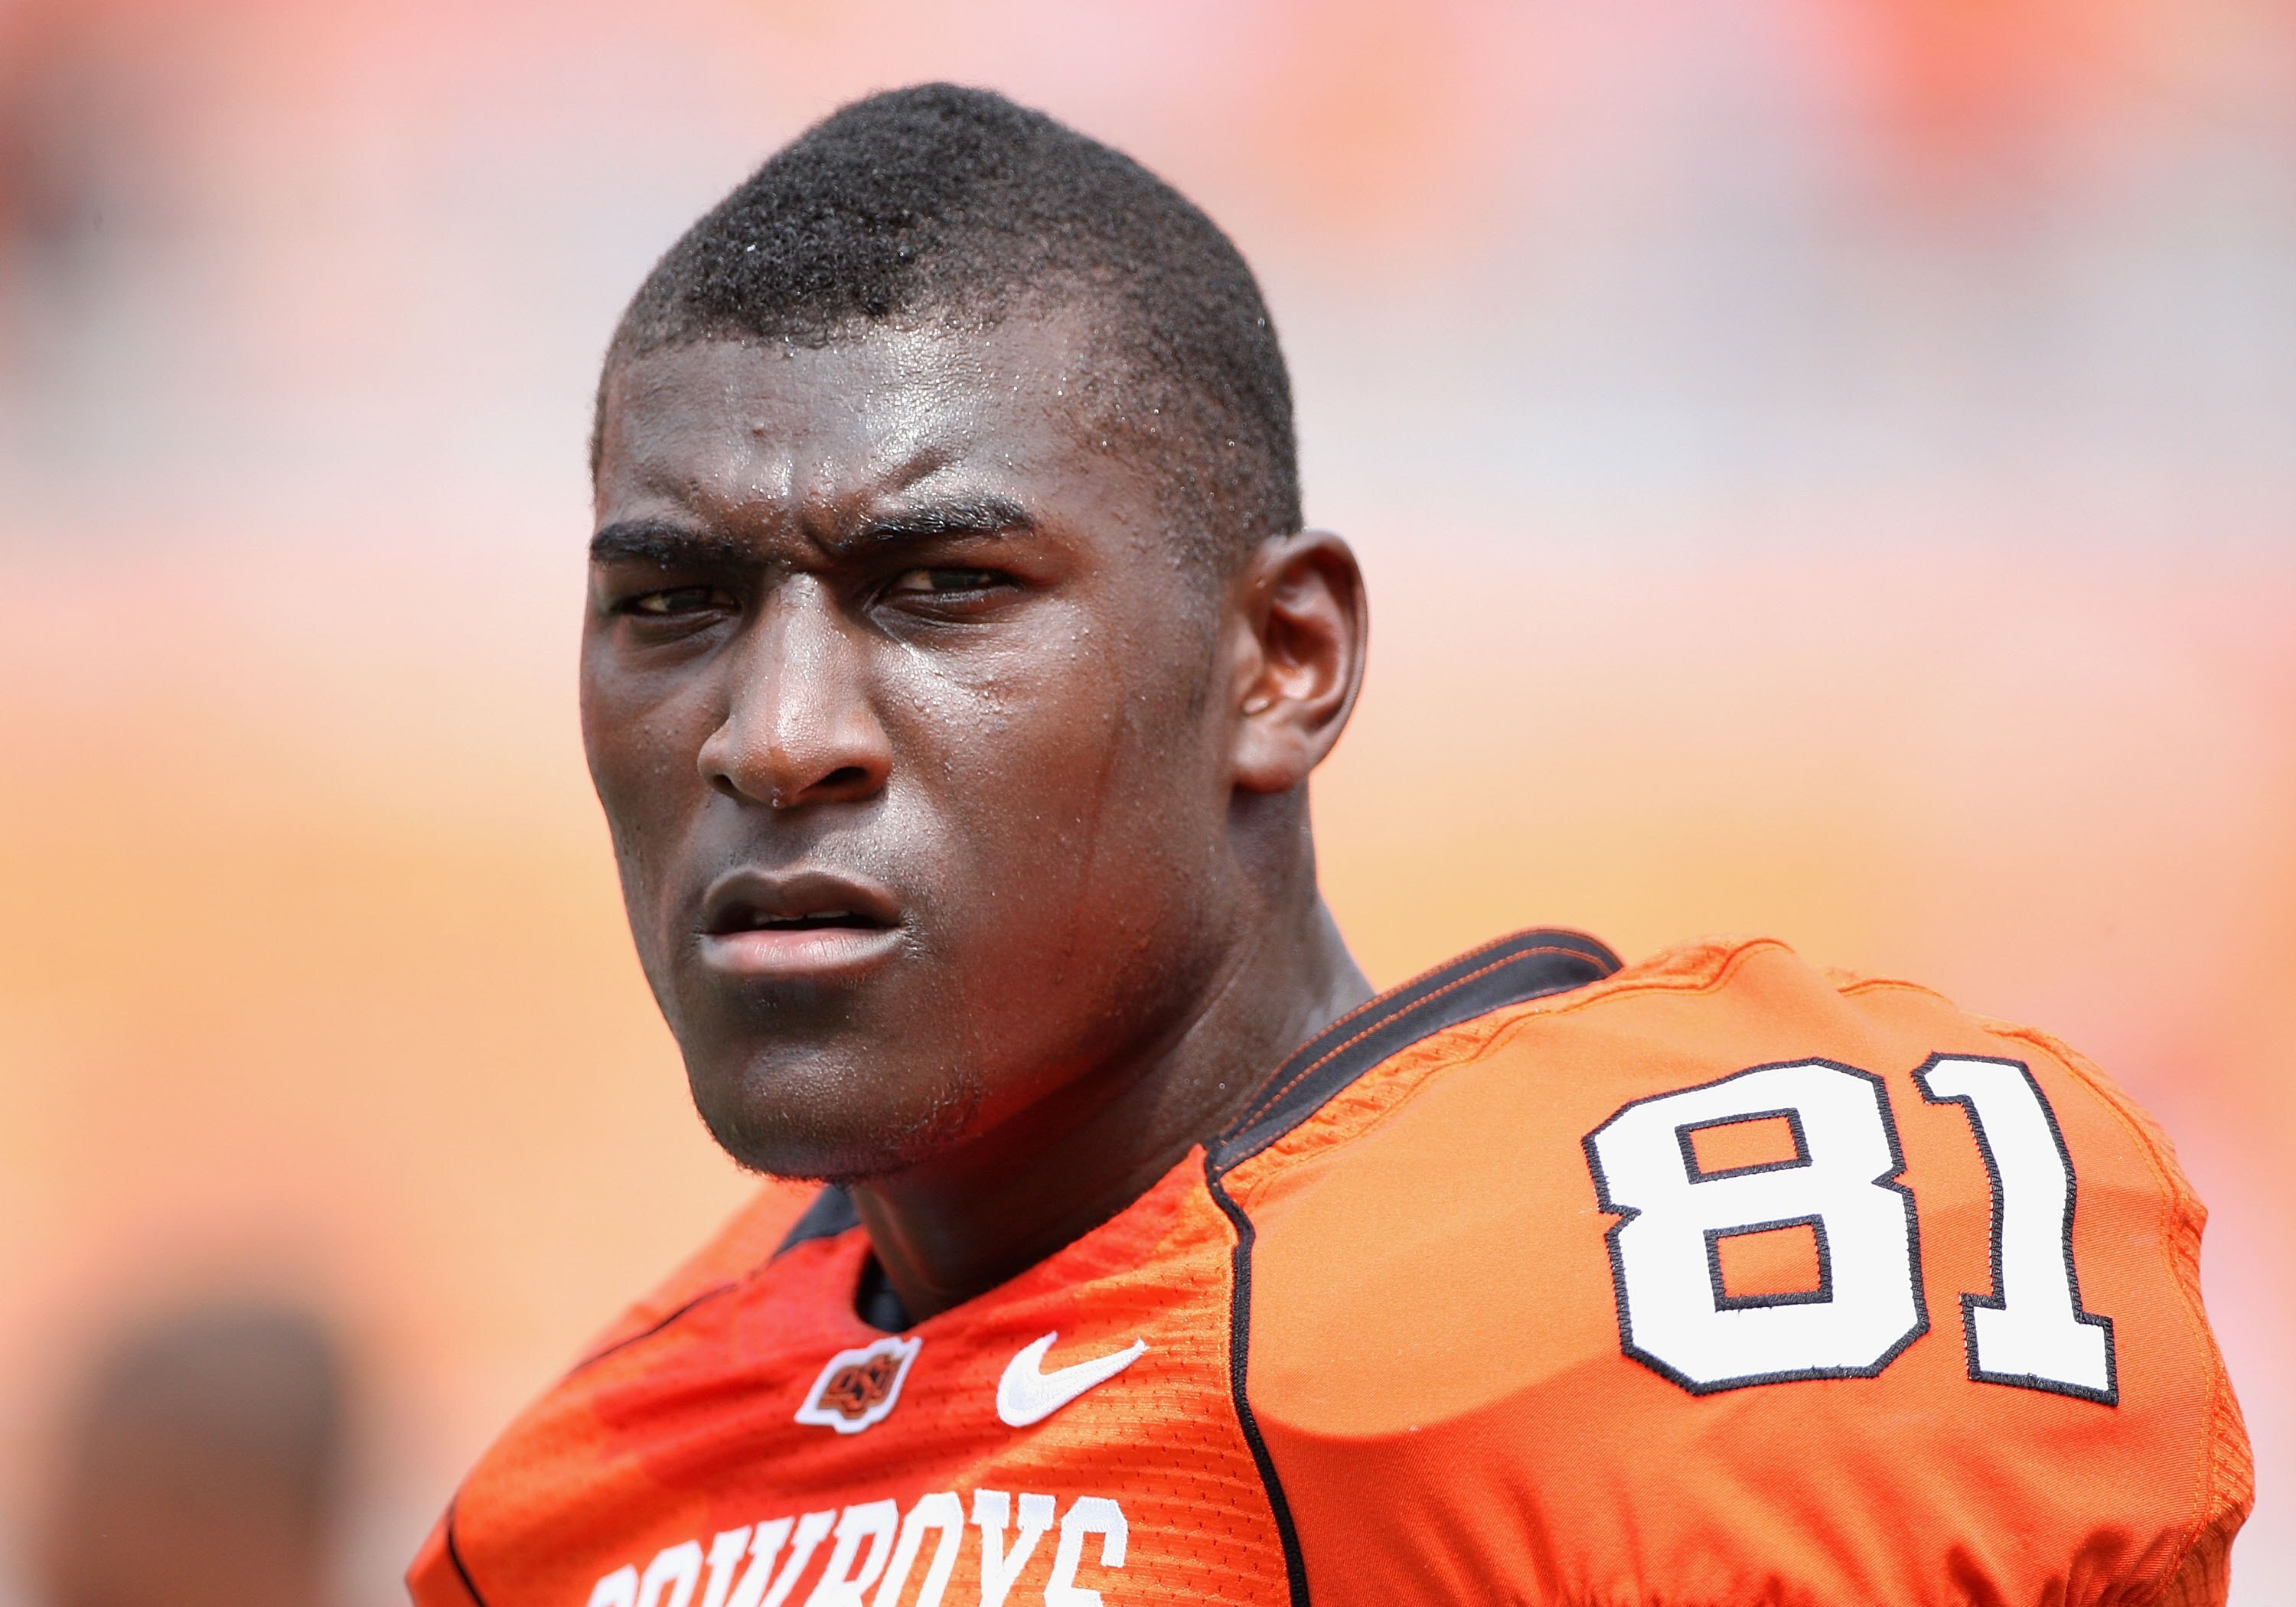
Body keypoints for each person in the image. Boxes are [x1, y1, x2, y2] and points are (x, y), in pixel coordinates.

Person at [409, 84, 2249, 1607]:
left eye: (944, 588)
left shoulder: (1681, 1295)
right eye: (672, 604)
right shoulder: (583, 1513)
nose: (776, 733)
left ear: (1282, 662)